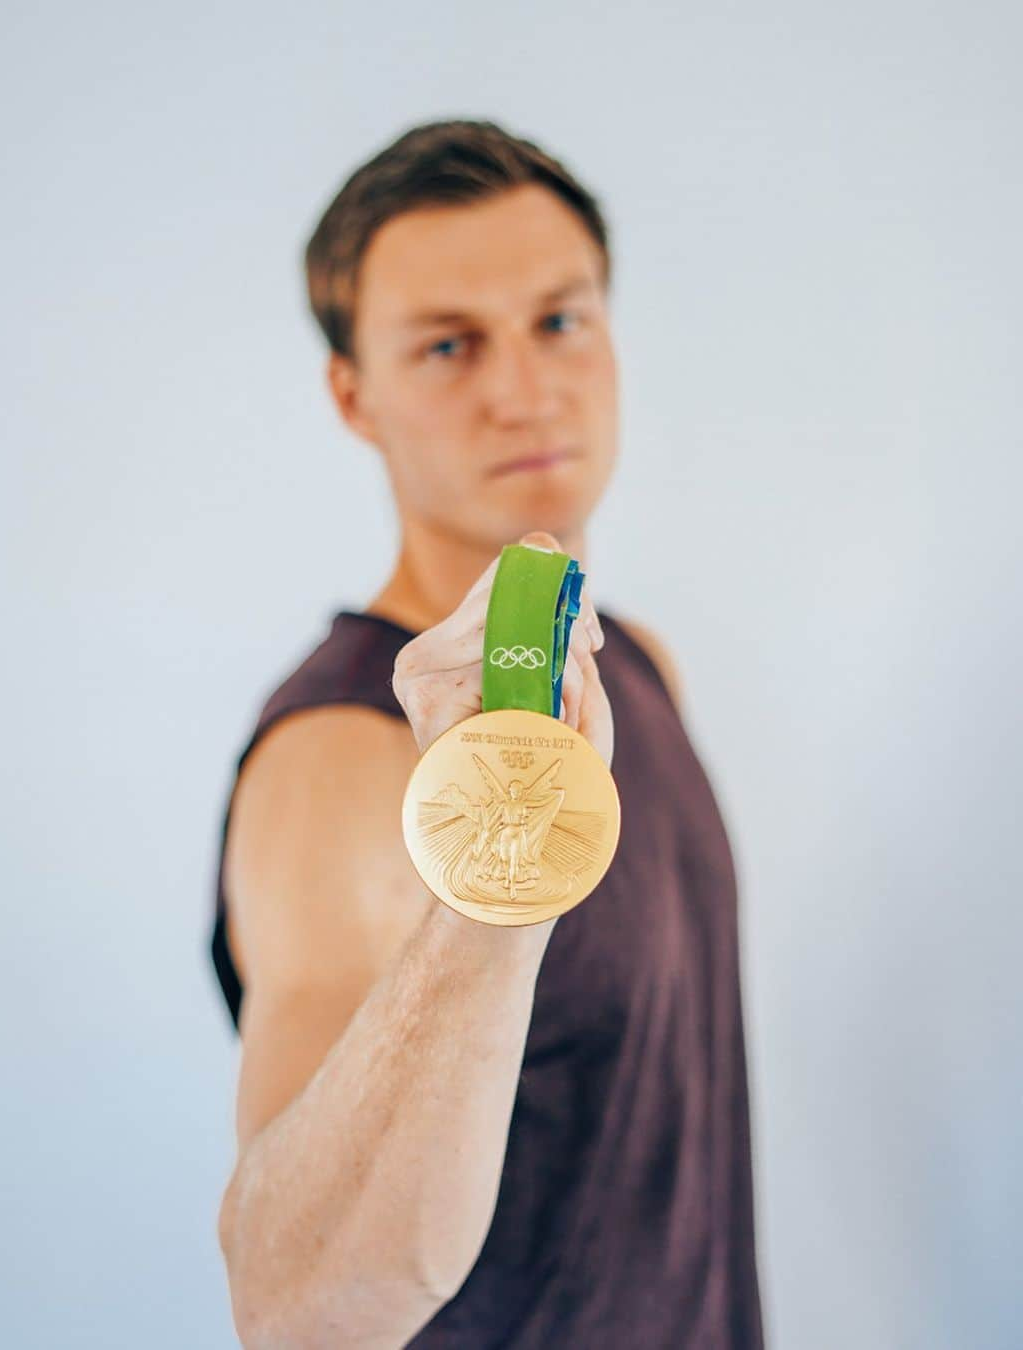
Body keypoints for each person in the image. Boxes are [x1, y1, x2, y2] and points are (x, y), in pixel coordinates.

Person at [209, 118, 765, 1348]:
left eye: (560, 321)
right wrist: (489, 882)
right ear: (354, 394)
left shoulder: (643, 672)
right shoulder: (340, 756)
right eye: (450, 344)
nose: (523, 388)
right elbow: (297, 1306)